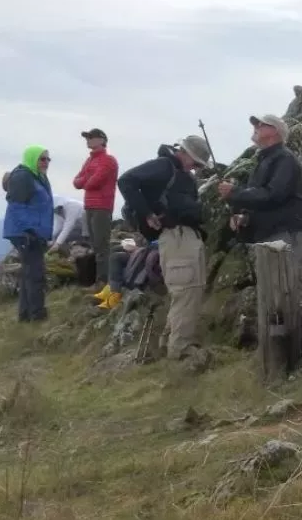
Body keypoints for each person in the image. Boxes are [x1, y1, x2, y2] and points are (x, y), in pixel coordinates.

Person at [117, 136, 210, 360]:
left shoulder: (177, 173)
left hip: (184, 236)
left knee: (189, 289)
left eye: (198, 166)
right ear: (184, 153)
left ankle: (171, 340)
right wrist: (146, 213)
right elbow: (126, 181)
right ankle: (180, 348)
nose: (195, 168)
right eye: (195, 163)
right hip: (176, 236)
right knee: (186, 290)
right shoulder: (163, 166)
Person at [218, 113, 302, 295]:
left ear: (275, 131)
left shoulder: (285, 159)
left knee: (287, 292)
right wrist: (244, 218)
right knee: (273, 294)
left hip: (286, 234)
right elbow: (262, 200)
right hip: (270, 235)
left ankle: (297, 324)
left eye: (262, 124)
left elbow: (274, 194)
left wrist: (235, 193)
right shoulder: (265, 160)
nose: (256, 126)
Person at [2, 145, 54, 322]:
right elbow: (16, 206)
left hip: (33, 232)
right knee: (35, 273)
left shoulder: (38, 177)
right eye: (42, 158)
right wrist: (29, 230)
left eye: (48, 159)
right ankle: (37, 315)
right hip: (25, 233)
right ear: (32, 158)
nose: (46, 162)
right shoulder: (23, 176)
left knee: (29, 273)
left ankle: (25, 315)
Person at [72, 128, 119, 290]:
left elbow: (94, 182)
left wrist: (86, 179)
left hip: (102, 207)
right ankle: (99, 279)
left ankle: (103, 281)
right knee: (95, 245)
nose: (88, 140)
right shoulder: (89, 161)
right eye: (87, 137)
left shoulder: (108, 160)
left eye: (91, 137)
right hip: (89, 206)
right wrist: (87, 179)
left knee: (101, 246)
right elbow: (76, 182)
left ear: (102, 140)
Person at [94, 237, 162, 310]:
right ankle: (109, 288)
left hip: (148, 254)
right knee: (116, 249)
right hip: (144, 250)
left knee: (116, 258)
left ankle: (115, 296)